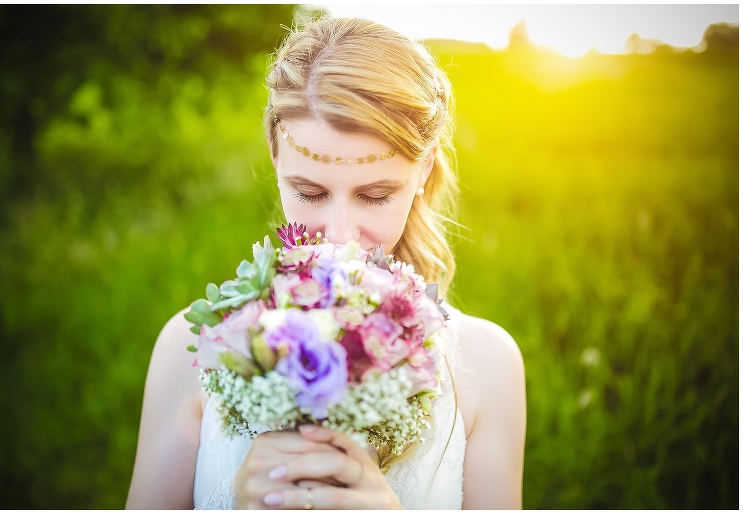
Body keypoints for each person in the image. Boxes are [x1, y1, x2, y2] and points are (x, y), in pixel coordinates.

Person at [126, 16, 526, 510]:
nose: (339, 236)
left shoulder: (487, 366)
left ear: (423, 170)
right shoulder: (191, 350)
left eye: (375, 196)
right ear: (276, 161)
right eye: (310, 192)